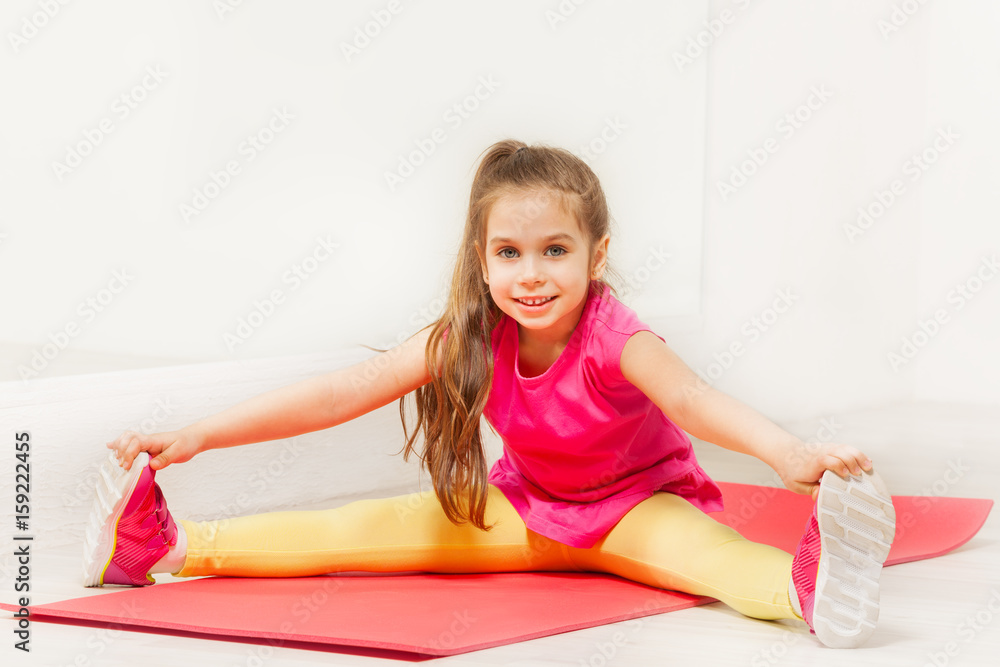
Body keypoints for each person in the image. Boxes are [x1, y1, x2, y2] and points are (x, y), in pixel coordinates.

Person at [84, 140, 896, 649]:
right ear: (481, 257)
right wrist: (199, 434)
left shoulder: (618, 337)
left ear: (597, 254)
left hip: (635, 510)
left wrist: (790, 452)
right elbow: (341, 393)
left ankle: (810, 589)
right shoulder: (470, 336)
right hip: (522, 509)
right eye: (509, 252)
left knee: (712, 561)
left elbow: (692, 399)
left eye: (554, 250)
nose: (531, 274)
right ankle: (164, 548)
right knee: (346, 529)